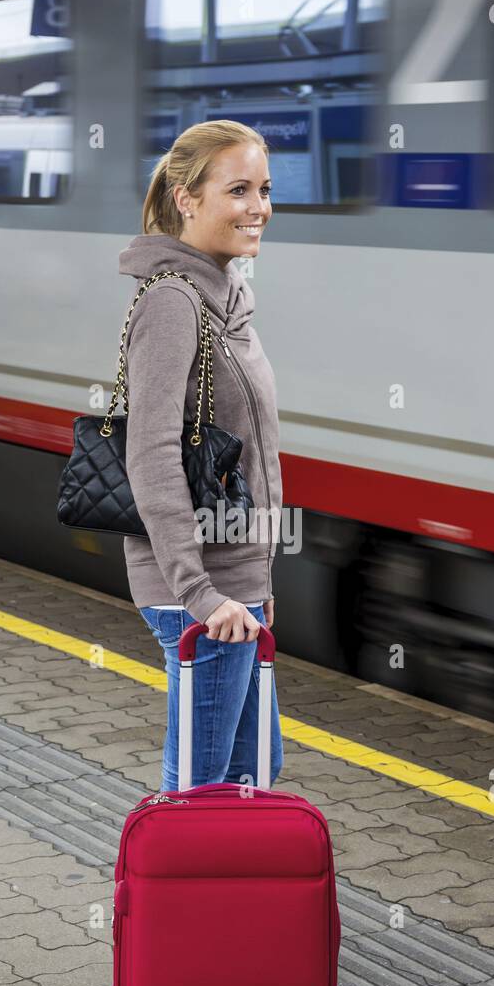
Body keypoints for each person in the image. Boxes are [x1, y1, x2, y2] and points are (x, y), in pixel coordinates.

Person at [119, 119, 284, 792]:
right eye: (238, 189)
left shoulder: (227, 299)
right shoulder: (172, 303)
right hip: (202, 594)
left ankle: (227, 899)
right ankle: (165, 898)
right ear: (188, 199)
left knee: (251, 774)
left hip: (239, 586)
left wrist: (256, 585)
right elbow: (151, 453)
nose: (259, 208)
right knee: (200, 785)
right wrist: (199, 592)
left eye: (266, 189)